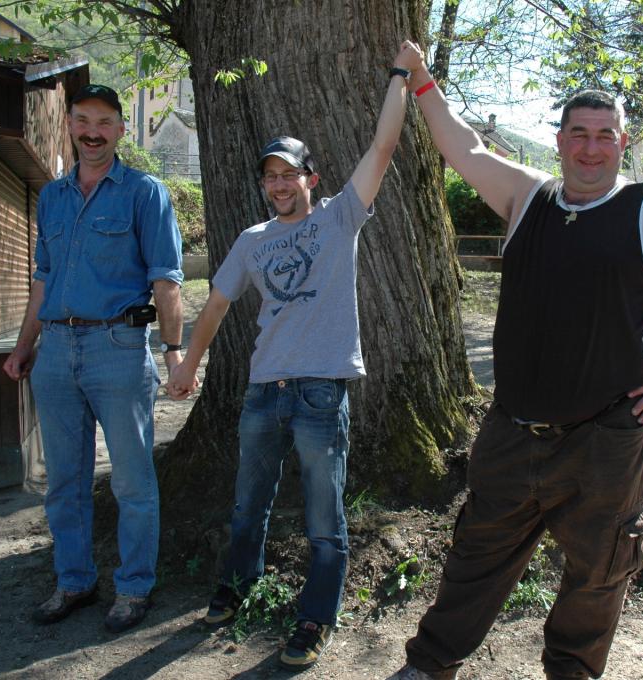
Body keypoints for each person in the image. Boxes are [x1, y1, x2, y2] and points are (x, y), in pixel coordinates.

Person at [388, 57, 643, 679]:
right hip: (512, 431)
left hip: (606, 442)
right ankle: (431, 664)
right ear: (559, 140)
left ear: (622, 142)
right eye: (579, 133)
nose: (591, 147)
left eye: (605, 135)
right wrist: (420, 80)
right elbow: (463, 147)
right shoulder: (528, 197)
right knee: (475, 556)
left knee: (598, 573)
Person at [165, 42, 424, 669]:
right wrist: (188, 363)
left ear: (312, 178)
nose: (279, 185)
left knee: (323, 518)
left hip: (320, 393)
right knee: (246, 505)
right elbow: (216, 306)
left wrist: (400, 74)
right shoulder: (252, 239)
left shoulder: (340, 218)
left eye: (290, 174)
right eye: (270, 177)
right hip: (264, 391)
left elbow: (383, 147)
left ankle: (315, 617)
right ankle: (237, 583)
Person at [3, 83, 184, 634]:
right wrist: (24, 345)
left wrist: (175, 353)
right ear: (69, 125)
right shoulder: (52, 198)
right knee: (64, 481)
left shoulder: (145, 193)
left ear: (121, 130)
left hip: (118, 349)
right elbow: (43, 279)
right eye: (82, 120)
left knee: (131, 480)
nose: (92, 132)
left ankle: (134, 588)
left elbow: (167, 280)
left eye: (104, 122)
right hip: (56, 350)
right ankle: (75, 580)